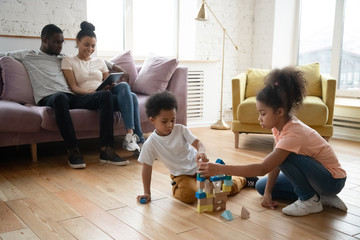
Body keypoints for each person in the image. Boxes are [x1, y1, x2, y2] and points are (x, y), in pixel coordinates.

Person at [198, 66, 347, 217]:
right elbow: (274, 163)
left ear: (280, 112)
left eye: (263, 113)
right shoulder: (279, 127)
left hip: (331, 181)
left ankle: (309, 200)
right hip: (315, 177)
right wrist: (268, 192)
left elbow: (263, 168)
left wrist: (219, 169)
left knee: (284, 156)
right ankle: (320, 197)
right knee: (261, 186)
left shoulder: (293, 134)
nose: (259, 118)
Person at [0, 24, 128, 169]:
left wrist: (116, 67)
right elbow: (3, 54)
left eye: (62, 42)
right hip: (49, 97)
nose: (60, 46)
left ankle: (106, 149)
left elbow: (93, 58)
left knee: (105, 96)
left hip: (71, 97)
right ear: (44, 40)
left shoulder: (63, 57)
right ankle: (73, 150)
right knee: (60, 97)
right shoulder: (28, 55)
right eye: (56, 42)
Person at [136, 91, 255, 204]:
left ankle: (243, 180)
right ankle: (182, 185)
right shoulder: (150, 143)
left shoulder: (181, 129)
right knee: (188, 196)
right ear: (152, 120)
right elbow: (146, 168)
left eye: (173, 120)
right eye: (164, 121)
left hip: (200, 168)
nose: (170, 125)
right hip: (181, 175)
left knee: (230, 187)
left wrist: (201, 152)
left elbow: (199, 144)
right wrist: (147, 193)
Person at [61, 21, 144, 154]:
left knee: (123, 86)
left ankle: (130, 136)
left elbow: (108, 81)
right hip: (89, 97)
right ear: (77, 42)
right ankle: (138, 139)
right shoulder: (68, 60)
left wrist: (112, 85)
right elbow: (74, 88)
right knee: (133, 97)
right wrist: (95, 92)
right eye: (86, 45)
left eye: (93, 46)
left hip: (107, 96)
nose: (90, 49)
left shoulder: (99, 61)